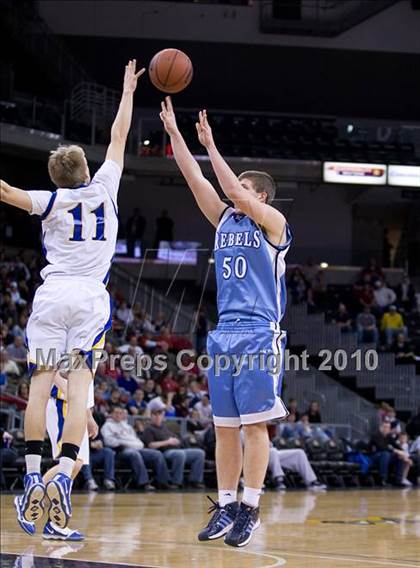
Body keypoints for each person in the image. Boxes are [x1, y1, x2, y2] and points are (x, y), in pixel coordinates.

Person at [0, 59, 145, 530]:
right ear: (86, 168)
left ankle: (32, 477)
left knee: (39, 387)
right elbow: (119, 135)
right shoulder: (106, 186)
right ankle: (65, 473)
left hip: (52, 291)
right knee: (80, 389)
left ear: (57, 176)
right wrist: (126, 91)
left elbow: (7, 192)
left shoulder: (49, 200)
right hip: (91, 297)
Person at [160, 98, 291, 546]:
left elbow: (231, 190)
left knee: (255, 426)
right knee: (223, 428)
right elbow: (194, 178)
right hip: (224, 333)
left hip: (259, 332)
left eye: (244, 189)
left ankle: (250, 507)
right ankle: (227, 504)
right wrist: (177, 136)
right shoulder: (222, 220)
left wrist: (212, 144)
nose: (236, 193)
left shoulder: (274, 225)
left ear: (261, 196)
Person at [15, 373, 98, 540]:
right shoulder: (65, 347)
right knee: (72, 462)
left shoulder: (92, 348)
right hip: (62, 402)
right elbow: (49, 367)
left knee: (77, 463)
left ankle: (54, 524)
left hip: (76, 406)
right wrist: (66, 390)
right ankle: (28, 499)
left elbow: (85, 383)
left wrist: (88, 415)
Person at [101, 405, 169, 490]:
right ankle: (144, 483)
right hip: (120, 451)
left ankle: (163, 482)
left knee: (157, 454)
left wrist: (129, 443)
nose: (118, 415)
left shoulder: (127, 426)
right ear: (111, 414)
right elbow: (109, 442)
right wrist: (127, 443)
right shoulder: (107, 426)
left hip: (136, 448)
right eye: (116, 413)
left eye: (120, 413)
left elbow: (138, 442)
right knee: (134, 454)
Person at [141, 406, 205, 489]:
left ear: (163, 417)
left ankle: (194, 481)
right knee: (180, 454)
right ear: (151, 417)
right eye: (155, 415)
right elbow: (151, 445)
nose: (157, 417)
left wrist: (177, 440)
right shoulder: (149, 429)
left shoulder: (165, 427)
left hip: (177, 449)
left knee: (199, 453)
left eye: (160, 415)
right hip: (163, 452)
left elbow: (176, 437)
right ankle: (176, 482)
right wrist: (168, 442)